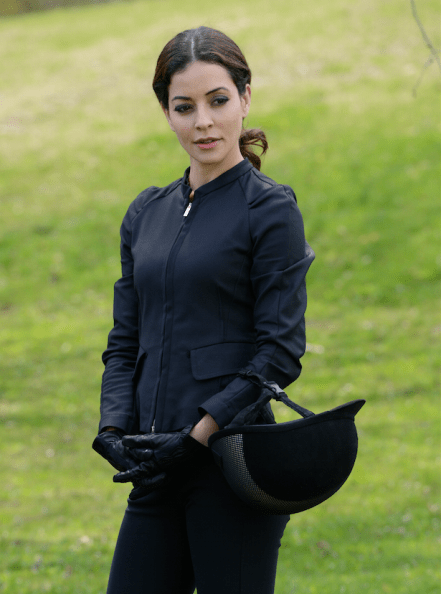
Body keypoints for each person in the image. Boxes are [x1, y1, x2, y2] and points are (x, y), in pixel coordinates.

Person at [92, 26, 315, 594]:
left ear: (245, 98)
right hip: (154, 468)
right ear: (167, 113)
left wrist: (196, 436)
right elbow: (125, 341)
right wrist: (113, 426)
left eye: (218, 101)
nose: (204, 123)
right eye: (184, 107)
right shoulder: (146, 213)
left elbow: (279, 352)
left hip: (231, 466)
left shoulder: (270, 210)